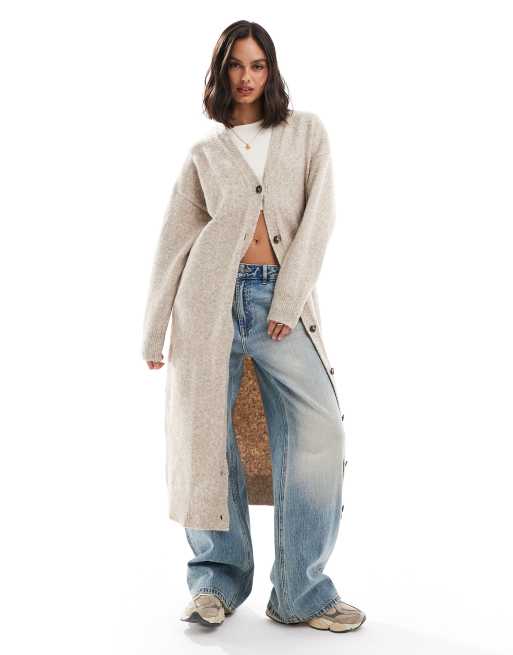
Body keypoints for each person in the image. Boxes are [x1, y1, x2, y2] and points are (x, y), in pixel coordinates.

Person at [142, 20, 366, 633]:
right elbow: (174, 243)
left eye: (258, 64)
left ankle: (301, 591)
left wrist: (287, 301)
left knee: (320, 434)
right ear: (221, 74)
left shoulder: (305, 133)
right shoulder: (205, 155)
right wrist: (155, 330)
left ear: (272, 70)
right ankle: (214, 584)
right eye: (236, 65)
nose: (247, 77)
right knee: (205, 440)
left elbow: (319, 219)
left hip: (278, 306)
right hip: (207, 305)